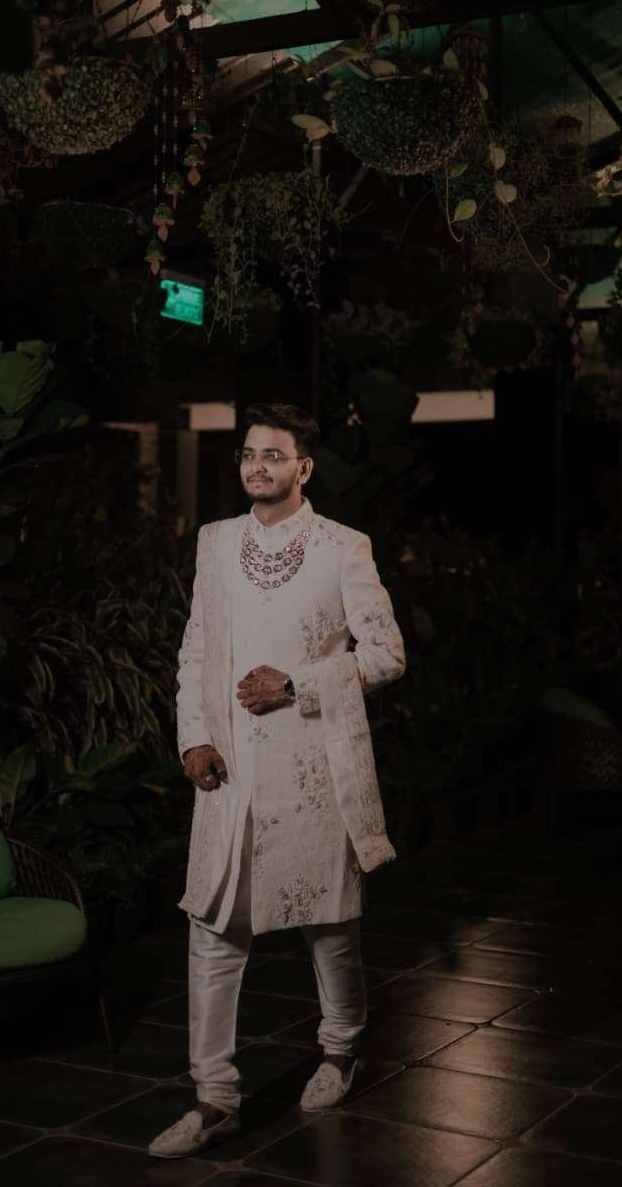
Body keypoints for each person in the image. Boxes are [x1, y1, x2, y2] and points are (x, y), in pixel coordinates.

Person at [148, 402, 406, 1159]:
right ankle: (214, 1098)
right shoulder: (216, 541)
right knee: (212, 927)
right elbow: (197, 647)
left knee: (328, 925)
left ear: (304, 467)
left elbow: (386, 654)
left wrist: (296, 685)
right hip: (229, 770)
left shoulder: (342, 548)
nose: (257, 466)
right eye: (248, 454)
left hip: (311, 765)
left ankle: (340, 1049)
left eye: (273, 454)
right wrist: (193, 736)